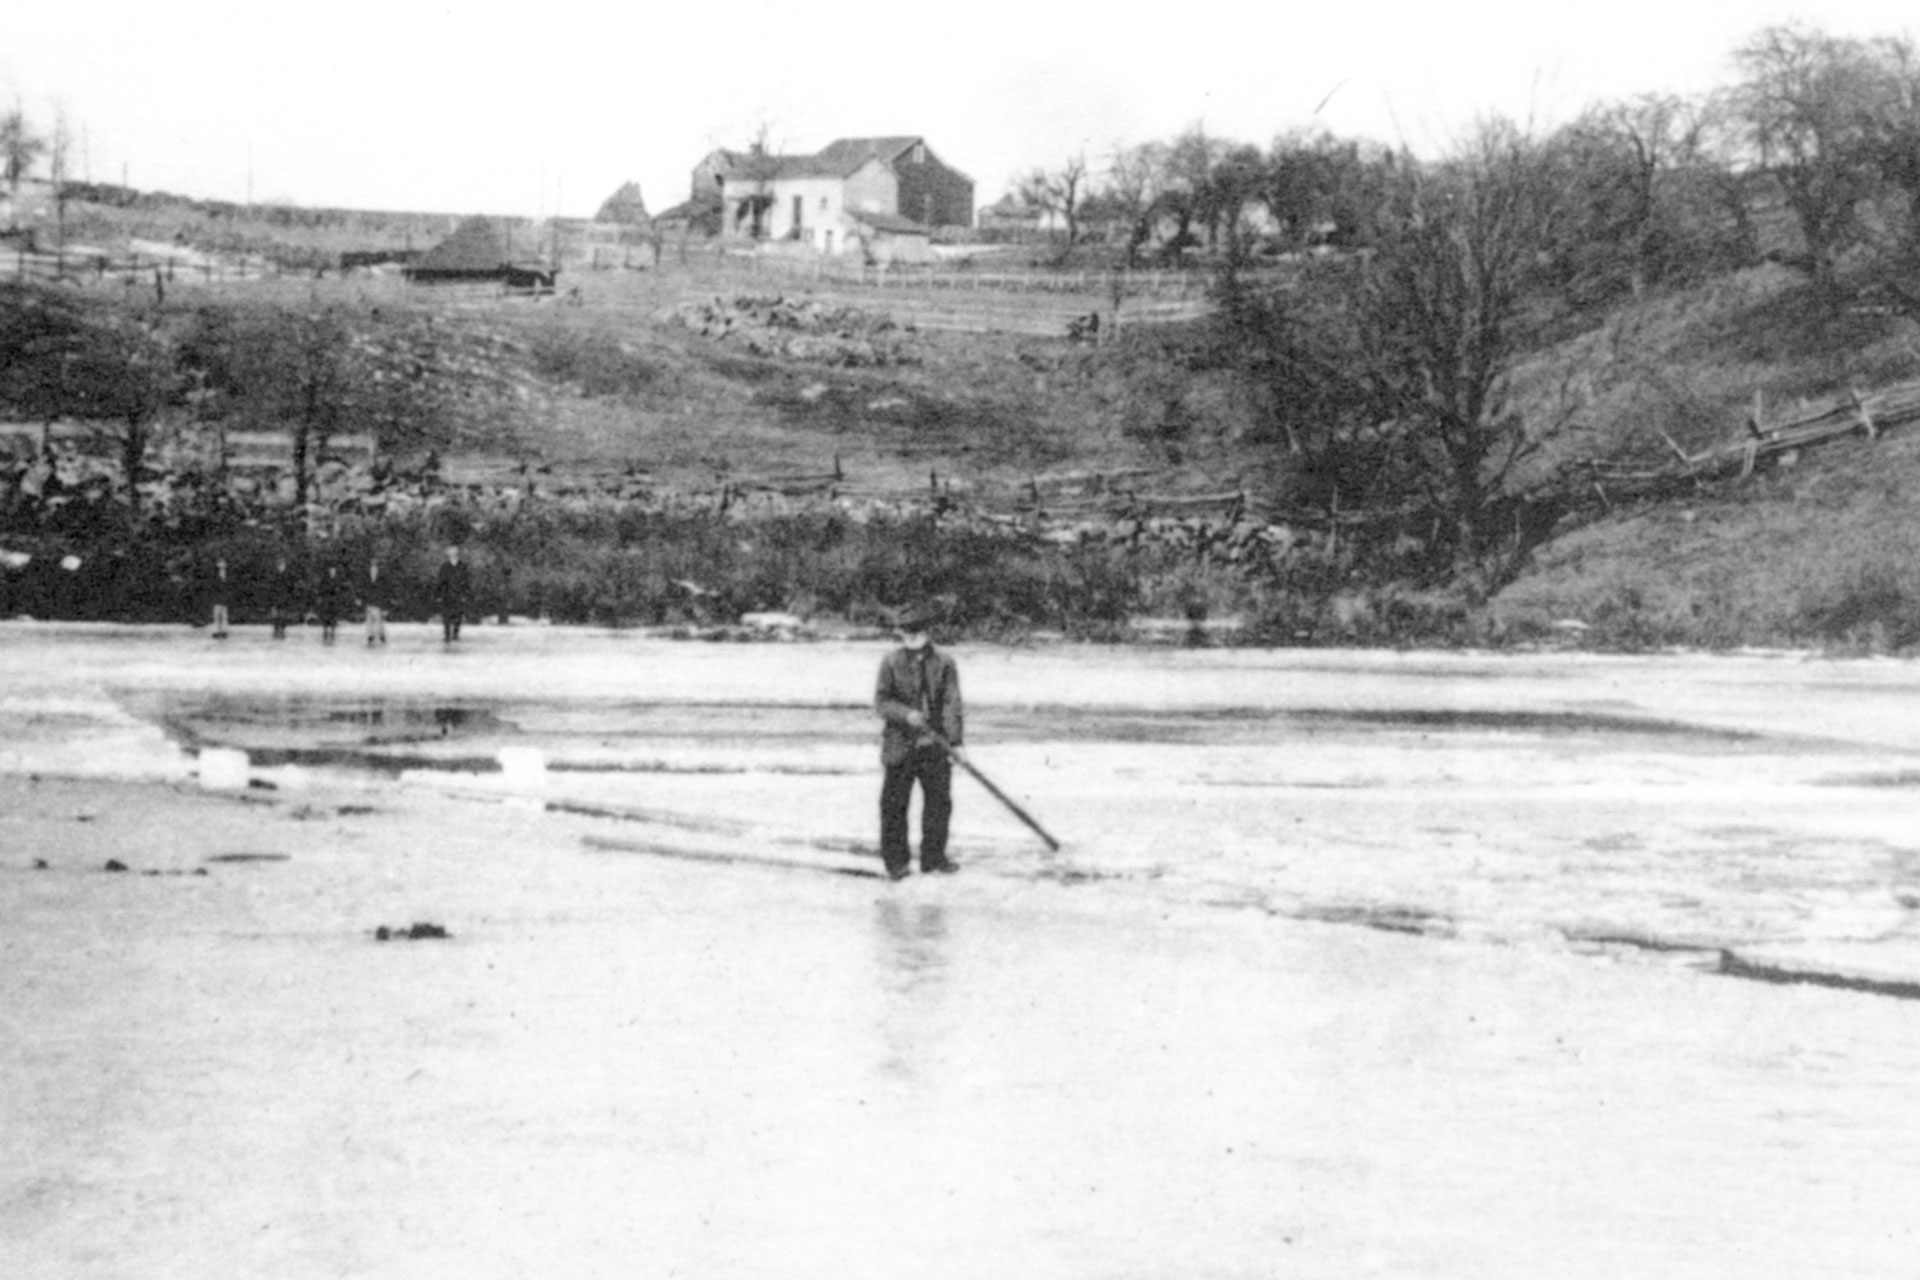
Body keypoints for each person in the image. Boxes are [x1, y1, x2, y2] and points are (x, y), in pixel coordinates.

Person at [873, 601, 964, 880]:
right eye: (906, 632)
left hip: (935, 746)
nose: (911, 637)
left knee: (939, 804)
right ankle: (896, 863)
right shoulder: (890, 662)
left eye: (917, 631)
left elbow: (952, 703)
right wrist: (905, 714)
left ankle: (934, 858)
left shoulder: (945, 663)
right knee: (894, 805)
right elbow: (882, 702)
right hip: (900, 745)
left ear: (927, 632)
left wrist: (954, 741)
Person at [434, 544, 472, 643]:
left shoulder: (462, 566)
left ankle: (455, 633)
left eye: (453, 551)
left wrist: (466, 593)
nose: (451, 553)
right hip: (447, 593)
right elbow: (440, 581)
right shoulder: (445, 566)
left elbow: (466, 580)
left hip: (458, 594)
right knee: (446, 615)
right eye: (450, 552)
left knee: (458, 615)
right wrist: (438, 594)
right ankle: (447, 634)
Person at [315, 563, 352, 644]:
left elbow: (342, 589)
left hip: (335, 600)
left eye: (333, 570)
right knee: (325, 616)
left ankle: (332, 631)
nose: (332, 572)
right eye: (331, 570)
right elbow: (321, 589)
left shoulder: (338, 579)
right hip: (326, 600)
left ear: (335, 571)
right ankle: (325, 630)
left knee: (333, 616)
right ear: (329, 571)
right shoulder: (325, 579)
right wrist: (321, 596)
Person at [267, 554, 300, 640]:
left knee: (283, 615)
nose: (280, 567)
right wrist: (271, 598)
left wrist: (291, 596)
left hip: (285, 598)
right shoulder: (274, 576)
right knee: (275, 616)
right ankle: (276, 629)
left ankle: (282, 630)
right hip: (275, 599)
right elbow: (271, 587)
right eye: (279, 565)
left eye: (282, 565)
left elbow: (292, 588)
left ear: (284, 566)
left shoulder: (289, 575)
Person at [359, 556, 390, 647]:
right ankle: (370, 636)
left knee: (378, 620)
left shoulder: (383, 575)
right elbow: (363, 587)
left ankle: (381, 635)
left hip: (378, 601)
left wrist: (385, 603)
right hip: (368, 600)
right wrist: (361, 598)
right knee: (369, 620)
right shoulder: (365, 574)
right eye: (372, 561)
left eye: (375, 561)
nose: (374, 562)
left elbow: (385, 590)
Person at [206, 557, 232, 639]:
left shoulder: (229, 575)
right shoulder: (214, 575)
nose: (222, 565)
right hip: (216, 597)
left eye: (224, 563)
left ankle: (224, 631)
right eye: (220, 563)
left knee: (224, 615)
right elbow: (211, 586)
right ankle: (216, 631)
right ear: (217, 565)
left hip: (225, 597)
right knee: (217, 615)